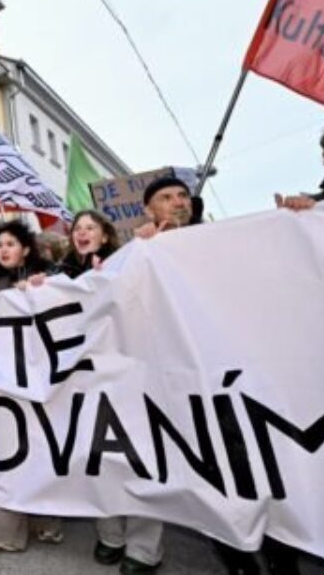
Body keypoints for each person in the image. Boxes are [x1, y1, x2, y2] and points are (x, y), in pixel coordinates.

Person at [94, 176, 201, 574]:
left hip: (187, 373)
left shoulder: (215, 242)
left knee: (157, 459)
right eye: (166, 197)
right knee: (115, 456)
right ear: (147, 209)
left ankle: (144, 549)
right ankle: (116, 536)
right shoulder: (133, 252)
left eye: (182, 196)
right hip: (127, 370)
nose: (177, 203)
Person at [0, 220, 63, 553]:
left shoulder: (45, 277)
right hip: (2, 382)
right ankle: (5, 530)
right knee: (9, 450)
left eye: (11, 244)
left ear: (25, 248)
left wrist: (42, 291)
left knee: (36, 449)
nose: (3, 250)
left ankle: (43, 521)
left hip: (39, 380)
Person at [57, 210, 118, 277]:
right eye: (77, 228)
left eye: (89, 228)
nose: (82, 233)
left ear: (104, 237)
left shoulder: (117, 263)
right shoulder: (64, 266)